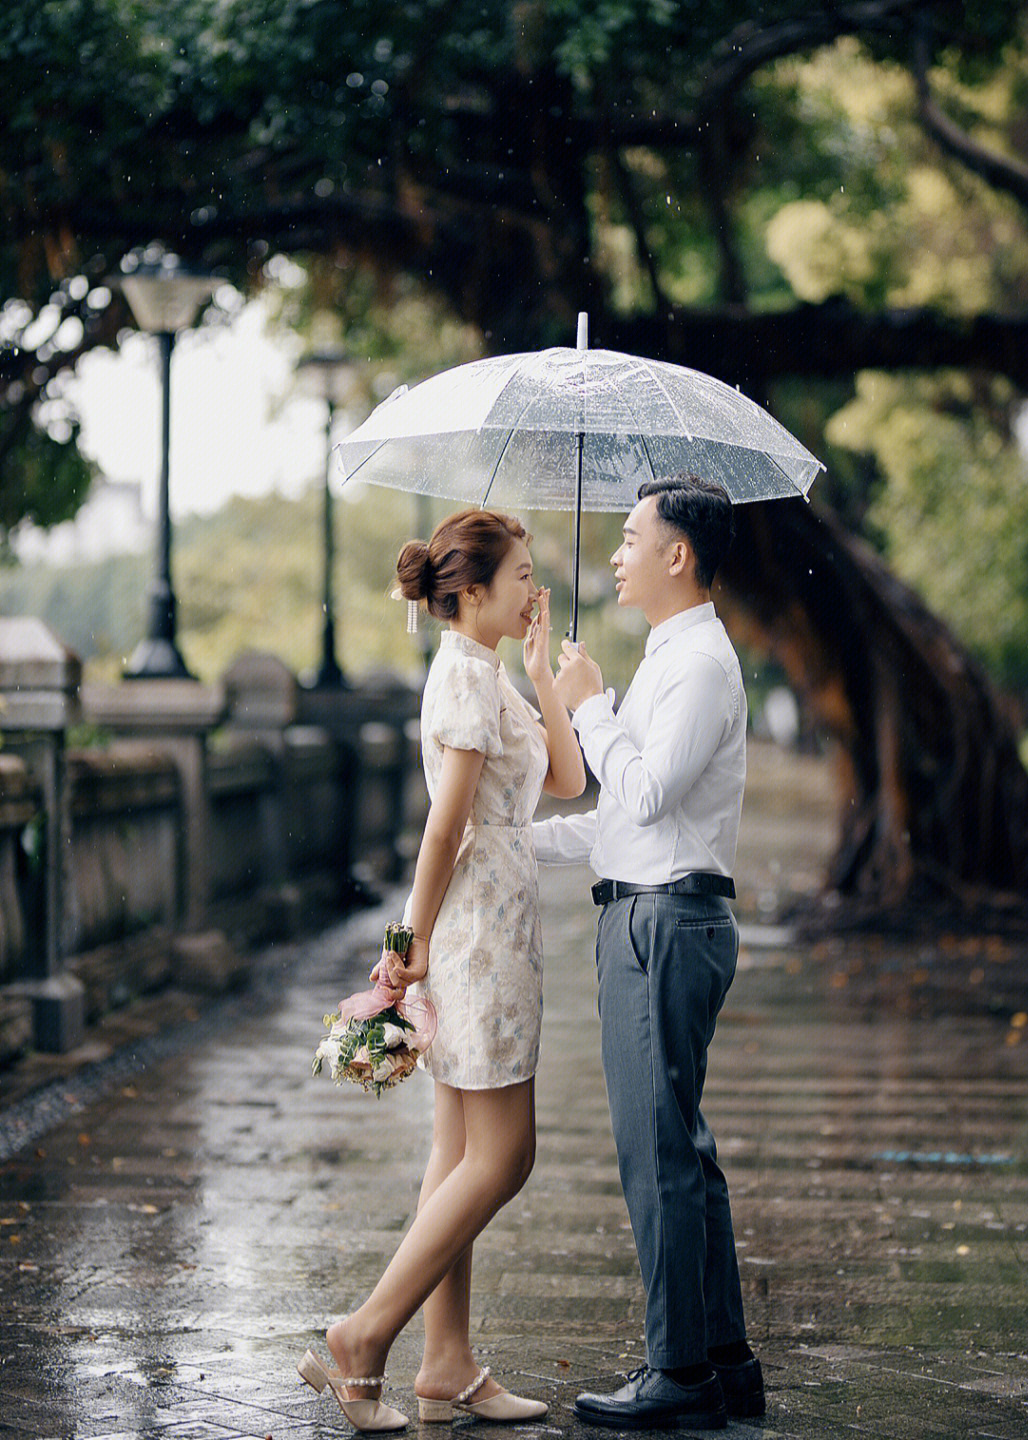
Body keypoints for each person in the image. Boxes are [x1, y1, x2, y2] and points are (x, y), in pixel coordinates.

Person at [299, 508, 586, 1432]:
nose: (534, 588)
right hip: (477, 935)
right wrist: (407, 942)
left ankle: (447, 1358)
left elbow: (569, 782)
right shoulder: (463, 677)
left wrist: (544, 673)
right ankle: (366, 1334)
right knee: (506, 1156)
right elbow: (446, 824)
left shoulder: (491, 672)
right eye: (521, 576)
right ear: (471, 592)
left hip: (495, 921)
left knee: (460, 1153)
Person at [533, 475, 765, 1429]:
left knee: (658, 1151)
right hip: (652, 909)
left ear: (679, 555)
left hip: (665, 925)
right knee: (685, 1149)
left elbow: (652, 792)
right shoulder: (676, 658)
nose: (618, 554)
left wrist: (589, 708)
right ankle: (722, 1359)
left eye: (632, 538)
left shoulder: (700, 663)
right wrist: (509, 844)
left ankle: (677, 1372)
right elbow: (618, 822)